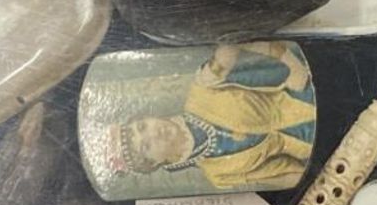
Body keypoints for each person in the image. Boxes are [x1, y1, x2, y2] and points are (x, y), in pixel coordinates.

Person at [111, 40, 316, 189]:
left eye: (142, 126)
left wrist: (291, 64)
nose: (154, 133)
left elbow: (234, 41)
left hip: (310, 90)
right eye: (146, 146)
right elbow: (289, 175)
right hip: (321, 144)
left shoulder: (202, 88)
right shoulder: (219, 174)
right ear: (155, 163)